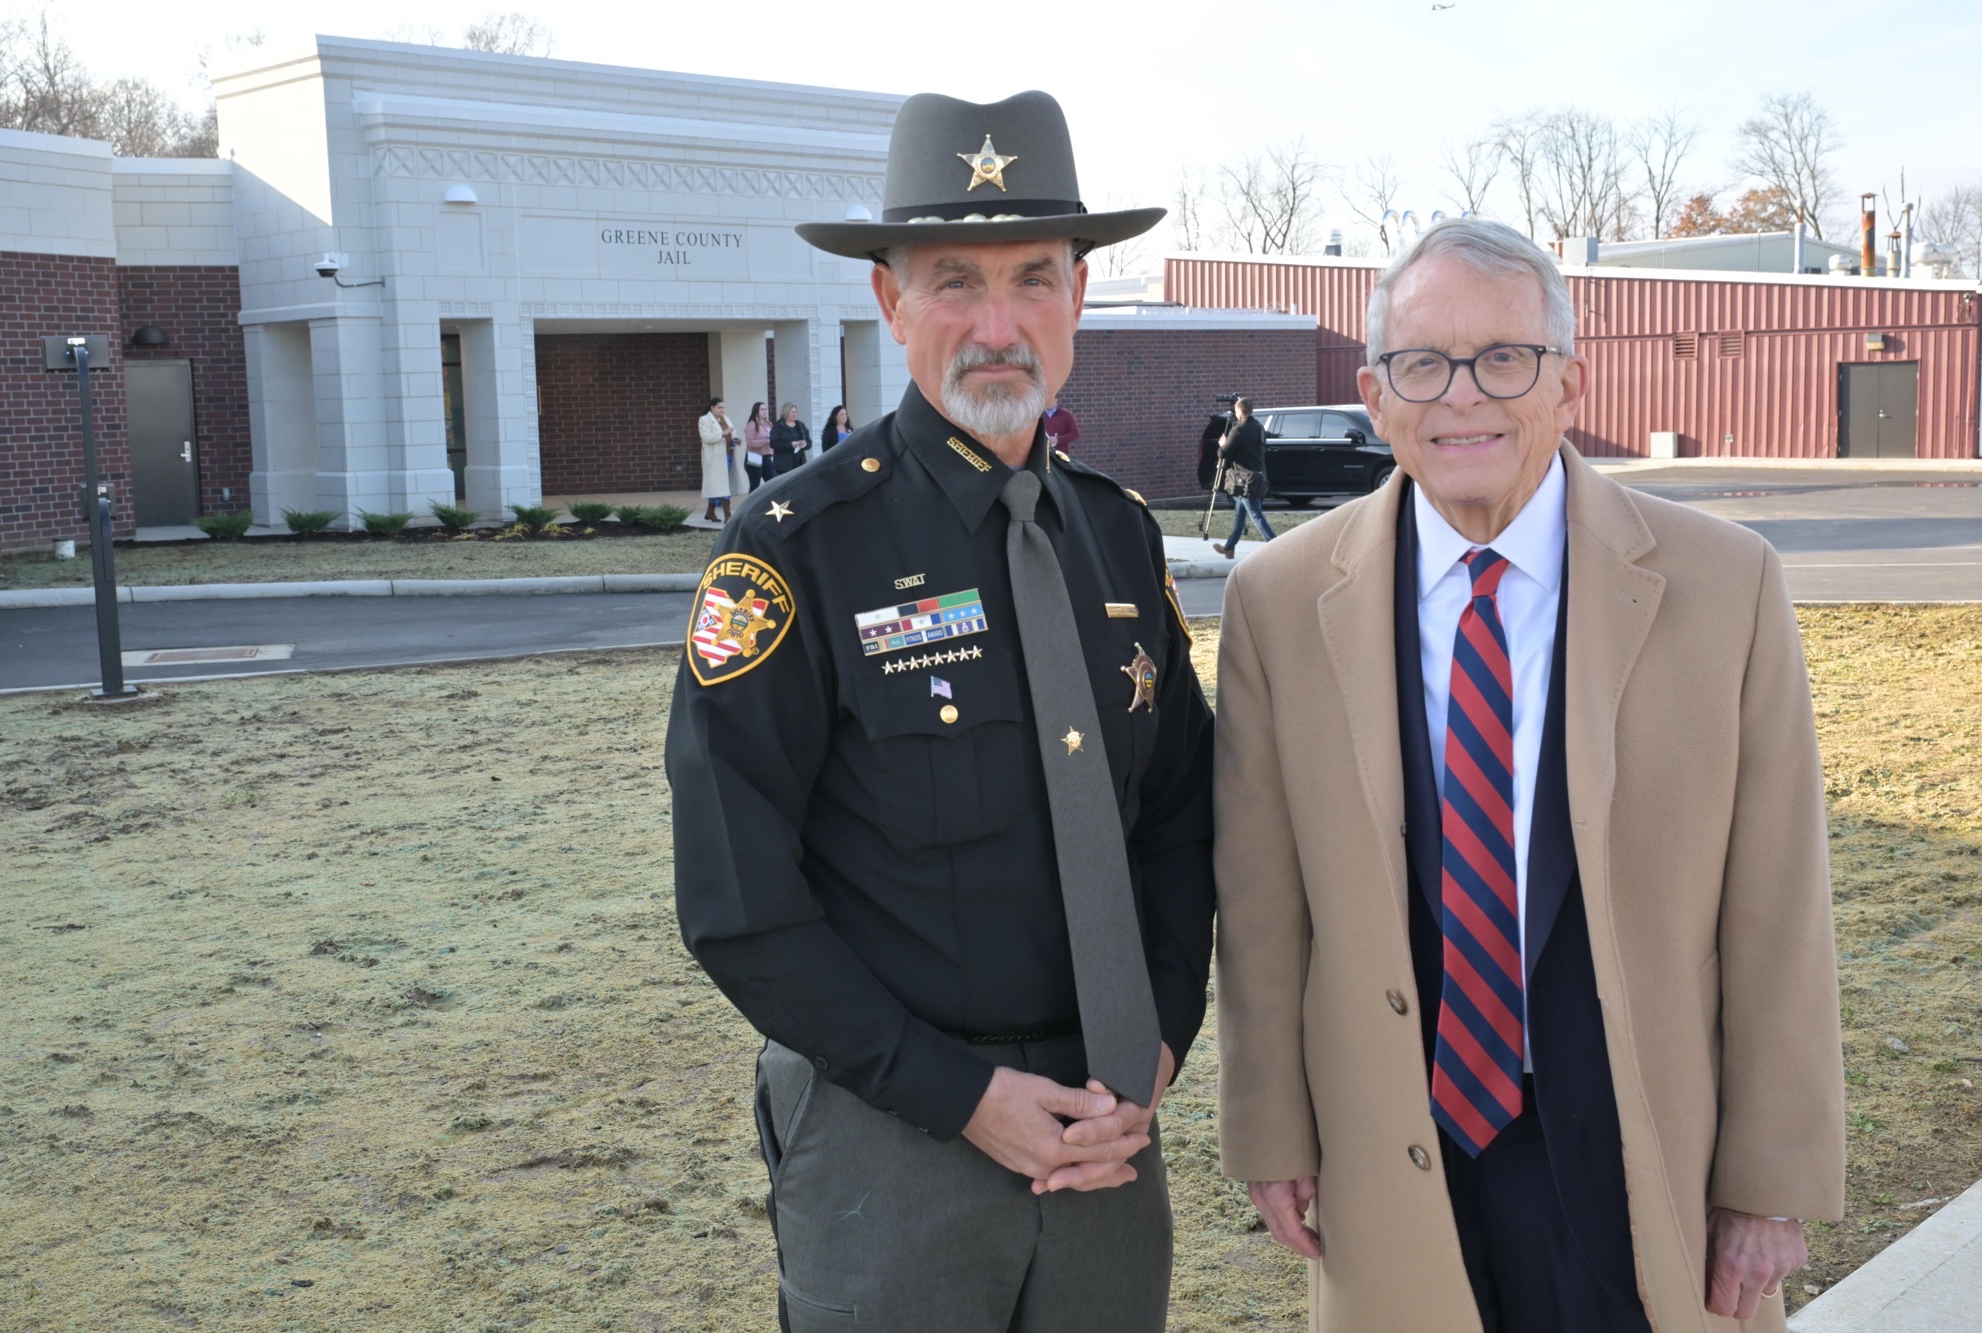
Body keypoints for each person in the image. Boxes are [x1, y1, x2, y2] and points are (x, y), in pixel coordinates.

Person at [1213, 218, 1843, 1333]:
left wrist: (1770, 1177)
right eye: (1421, 362)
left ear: (1568, 381)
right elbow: (1263, 904)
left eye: (1503, 357)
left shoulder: (1722, 584)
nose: (1462, 397)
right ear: (1373, 390)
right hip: (1395, 1150)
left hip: (1643, 1150)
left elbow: (1778, 904)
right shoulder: (1279, 600)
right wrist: (1270, 1130)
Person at [666, 90, 1212, 1331]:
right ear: (888, 301)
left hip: (1103, 1129)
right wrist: (962, 1094)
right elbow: (737, 900)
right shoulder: (795, 546)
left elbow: (1178, 817)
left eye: (1032, 277)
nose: (997, 323)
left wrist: (1156, 1042)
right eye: (953, 280)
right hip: (890, 1138)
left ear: (1078, 294)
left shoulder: (1119, 538)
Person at [1211, 396, 1275, 558]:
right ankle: (1229, 548)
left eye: (1236, 411)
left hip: (1245, 481)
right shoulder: (1259, 427)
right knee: (1240, 514)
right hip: (1259, 478)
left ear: (1240, 411)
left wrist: (1223, 443)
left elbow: (1222, 453)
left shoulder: (1238, 430)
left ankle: (1276, 545)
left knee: (1255, 515)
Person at [698, 395, 739, 523]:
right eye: (719, 407)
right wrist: (723, 433)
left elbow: (732, 433)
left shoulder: (725, 418)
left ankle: (710, 512)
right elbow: (706, 437)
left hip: (728, 454)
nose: (722, 410)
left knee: (719, 485)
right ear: (712, 407)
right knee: (721, 486)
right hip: (715, 457)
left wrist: (735, 439)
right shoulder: (704, 420)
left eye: (723, 407)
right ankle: (728, 515)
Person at [770, 402, 813, 472]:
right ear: (786, 413)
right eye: (792, 412)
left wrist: (805, 445)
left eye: (796, 412)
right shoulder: (778, 426)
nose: (795, 414)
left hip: (800, 463)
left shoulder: (800, 425)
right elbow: (773, 443)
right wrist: (790, 445)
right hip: (784, 465)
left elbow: (809, 442)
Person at [745, 400, 776, 492]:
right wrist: (766, 441)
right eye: (762, 409)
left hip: (766, 456)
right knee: (755, 485)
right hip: (754, 457)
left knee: (772, 482)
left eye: (766, 409)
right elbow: (750, 443)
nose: (764, 411)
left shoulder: (769, 424)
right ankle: (751, 505)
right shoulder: (752, 424)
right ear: (756, 411)